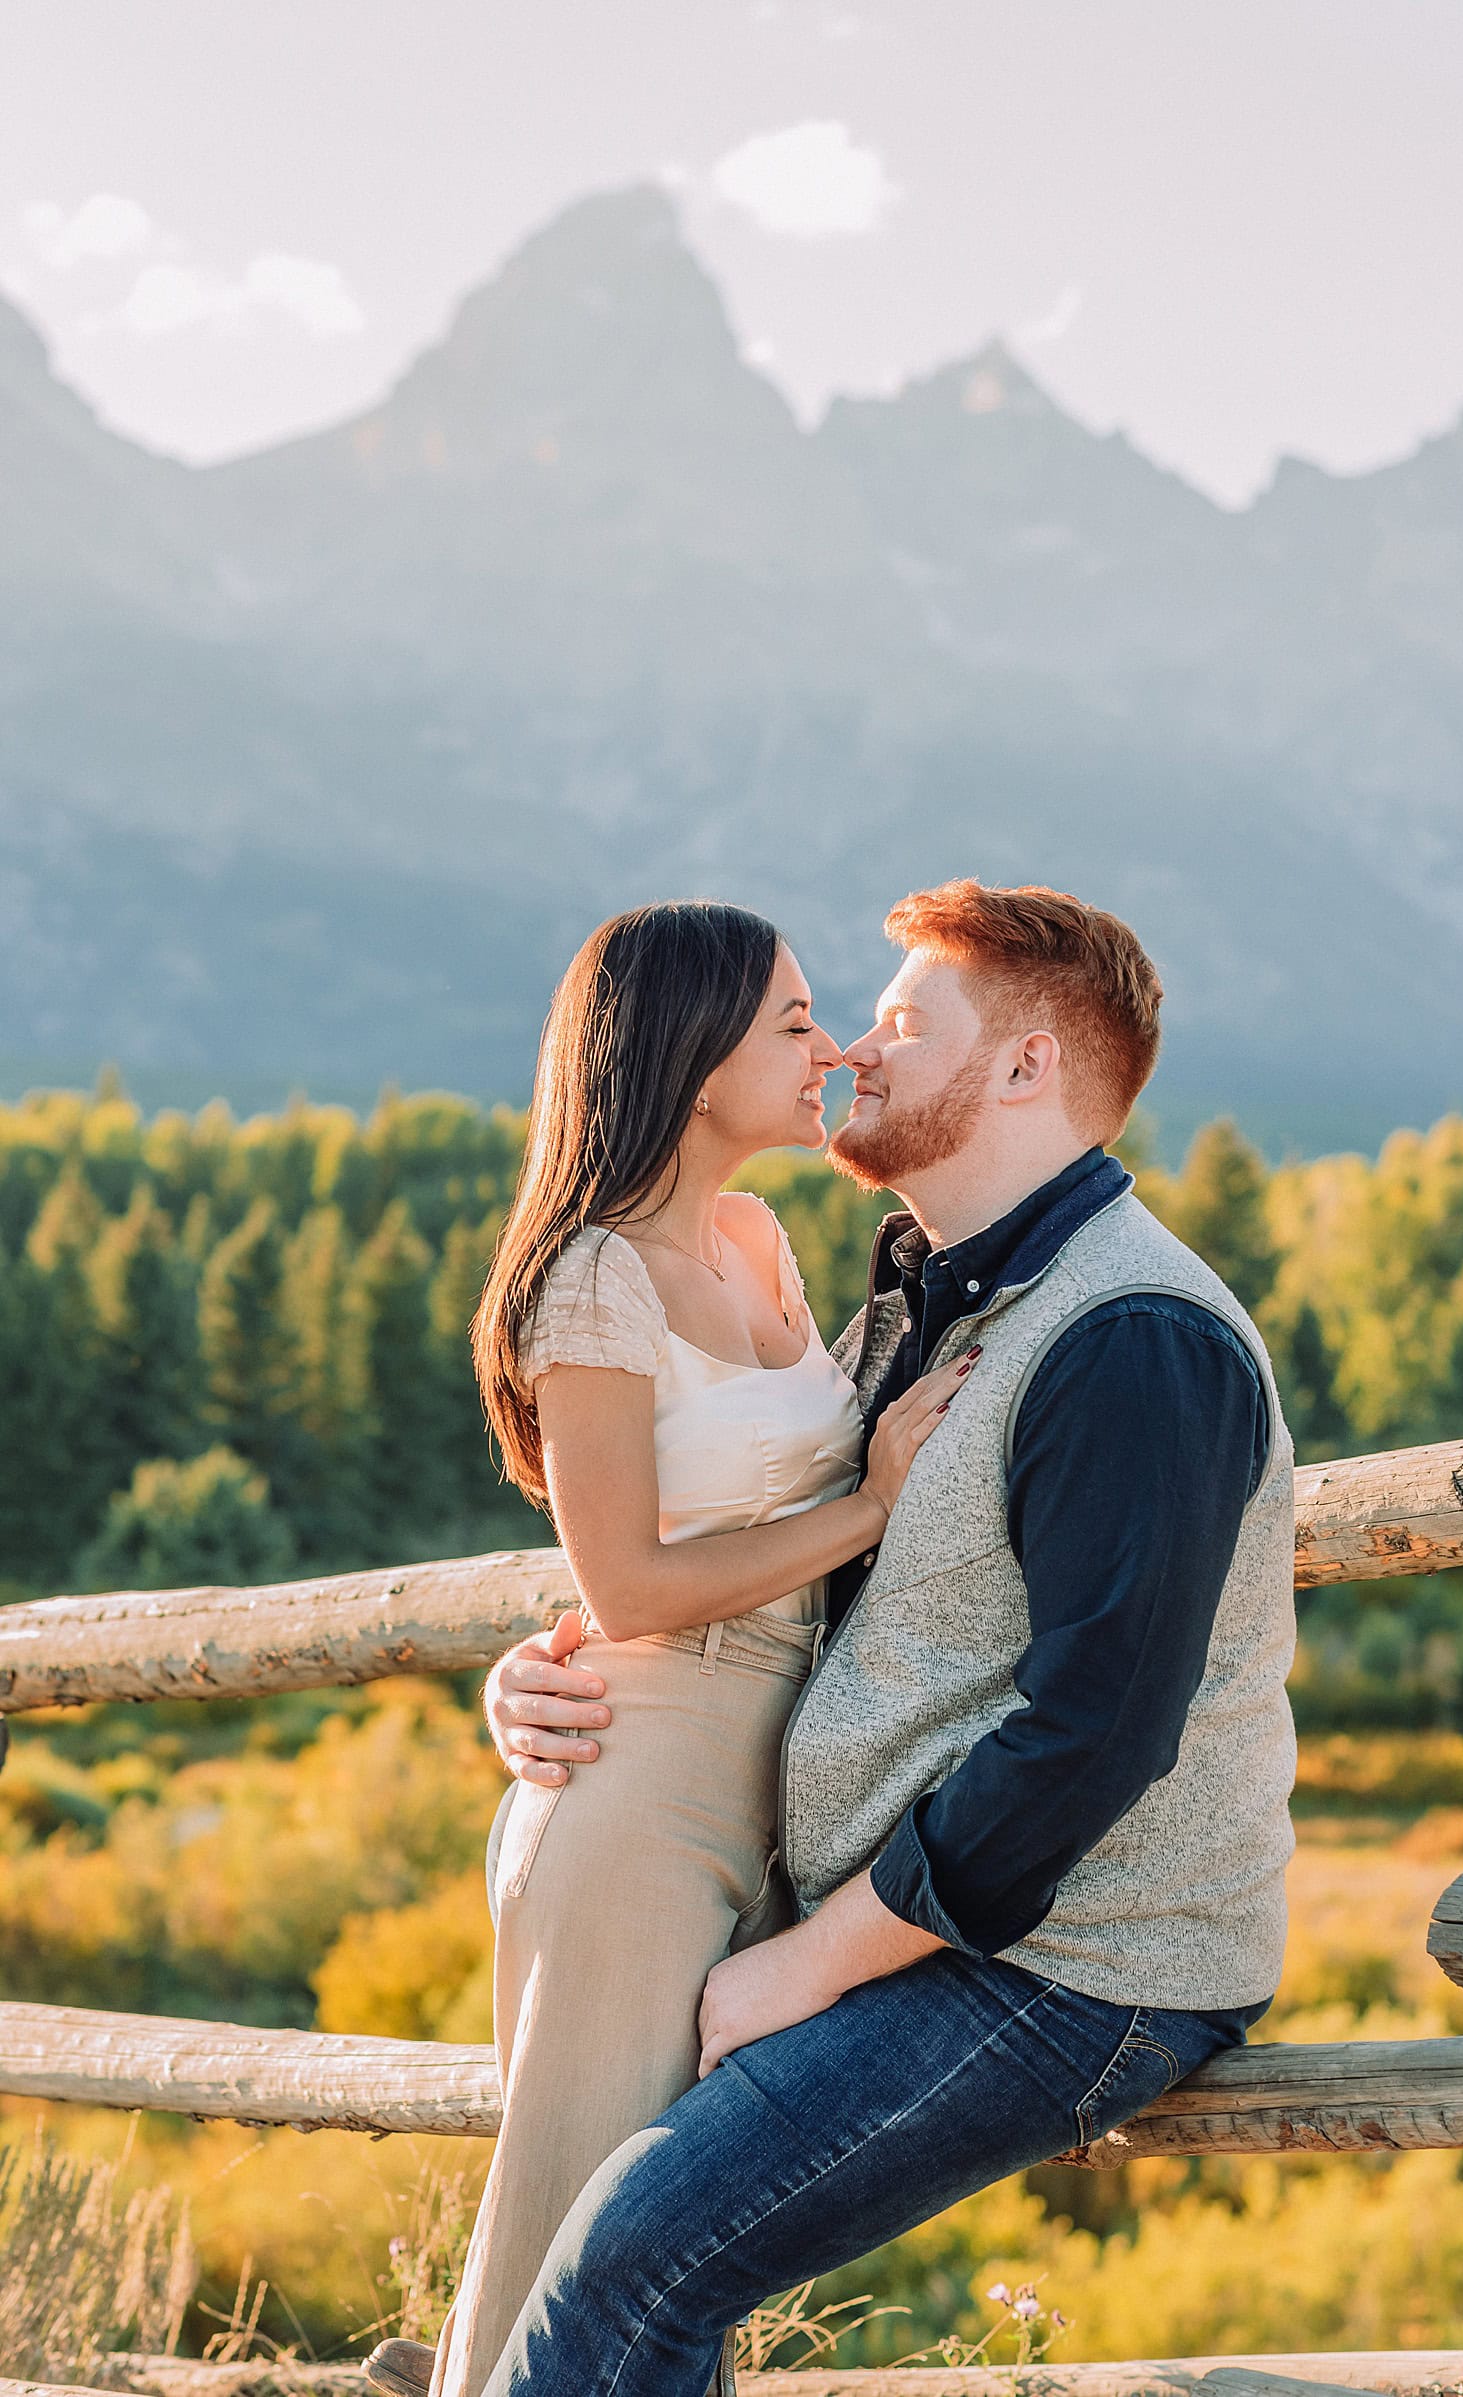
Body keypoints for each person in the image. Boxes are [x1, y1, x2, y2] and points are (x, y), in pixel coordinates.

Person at [474, 878, 1298, 2397]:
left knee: (628, 2257)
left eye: (907, 1021)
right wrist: (549, 1657)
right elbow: (738, 1548)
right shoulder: (939, 1298)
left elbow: (1093, 1735)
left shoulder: (1134, 1339)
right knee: (626, 2260)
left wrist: (806, 1969)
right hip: (920, 1918)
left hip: (1078, 1960)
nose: (856, 1045)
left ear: (1030, 1068)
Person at [364, 901, 969, 2397]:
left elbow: (740, 1494)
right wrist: (876, 1500)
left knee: (662, 2260)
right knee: (571, 2245)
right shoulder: (590, 1280)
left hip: (768, 1781)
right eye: (791, 1022)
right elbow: (627, 1582)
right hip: (641, 1797)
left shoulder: (755, 1238)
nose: (827, 1047)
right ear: (699, 1064)